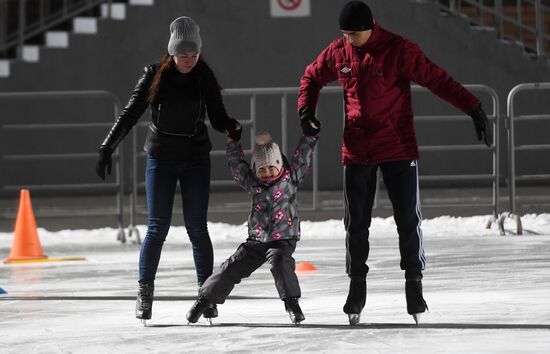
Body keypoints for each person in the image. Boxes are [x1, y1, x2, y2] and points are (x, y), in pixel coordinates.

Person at [297, 1, 492, 325]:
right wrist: (306, 111)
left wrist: (471, 106)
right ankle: (356, 286)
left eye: (353, 34)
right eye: (343, 34)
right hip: (357, 149)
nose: (348, 40)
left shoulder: (398, 49)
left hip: (398, 147)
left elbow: (436, 79)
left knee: (407, 221)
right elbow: (311, 78)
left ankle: (414, 284)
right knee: (356, 225)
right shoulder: (339, 51)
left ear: (369, 27)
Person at [95, 16, 242, 323]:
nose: (189, 61)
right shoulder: (154, 74)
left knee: (197, 229)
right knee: (157, 227)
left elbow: (217, 116)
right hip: (161, 158)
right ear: (172, 53)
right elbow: (131, 112)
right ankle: (145, 293)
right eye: (183, 55)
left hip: (195, 158)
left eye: (194, 55)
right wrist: (108, 146)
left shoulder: (204, 75)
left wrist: (230, 125)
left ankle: (207, 294)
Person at [185, 125, 320, 325]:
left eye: (271, 167)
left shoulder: (291, 177)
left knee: (279, 261)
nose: (266, 173)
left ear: (279, 164)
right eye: (261, 169)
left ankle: (291, 302)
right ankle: (204, 300)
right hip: (256, 240)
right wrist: (233, 142)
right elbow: (236, 165)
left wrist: (310, 134)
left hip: (283, 239)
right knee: (230, 267)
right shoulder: (252, 182)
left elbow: (303, 156)